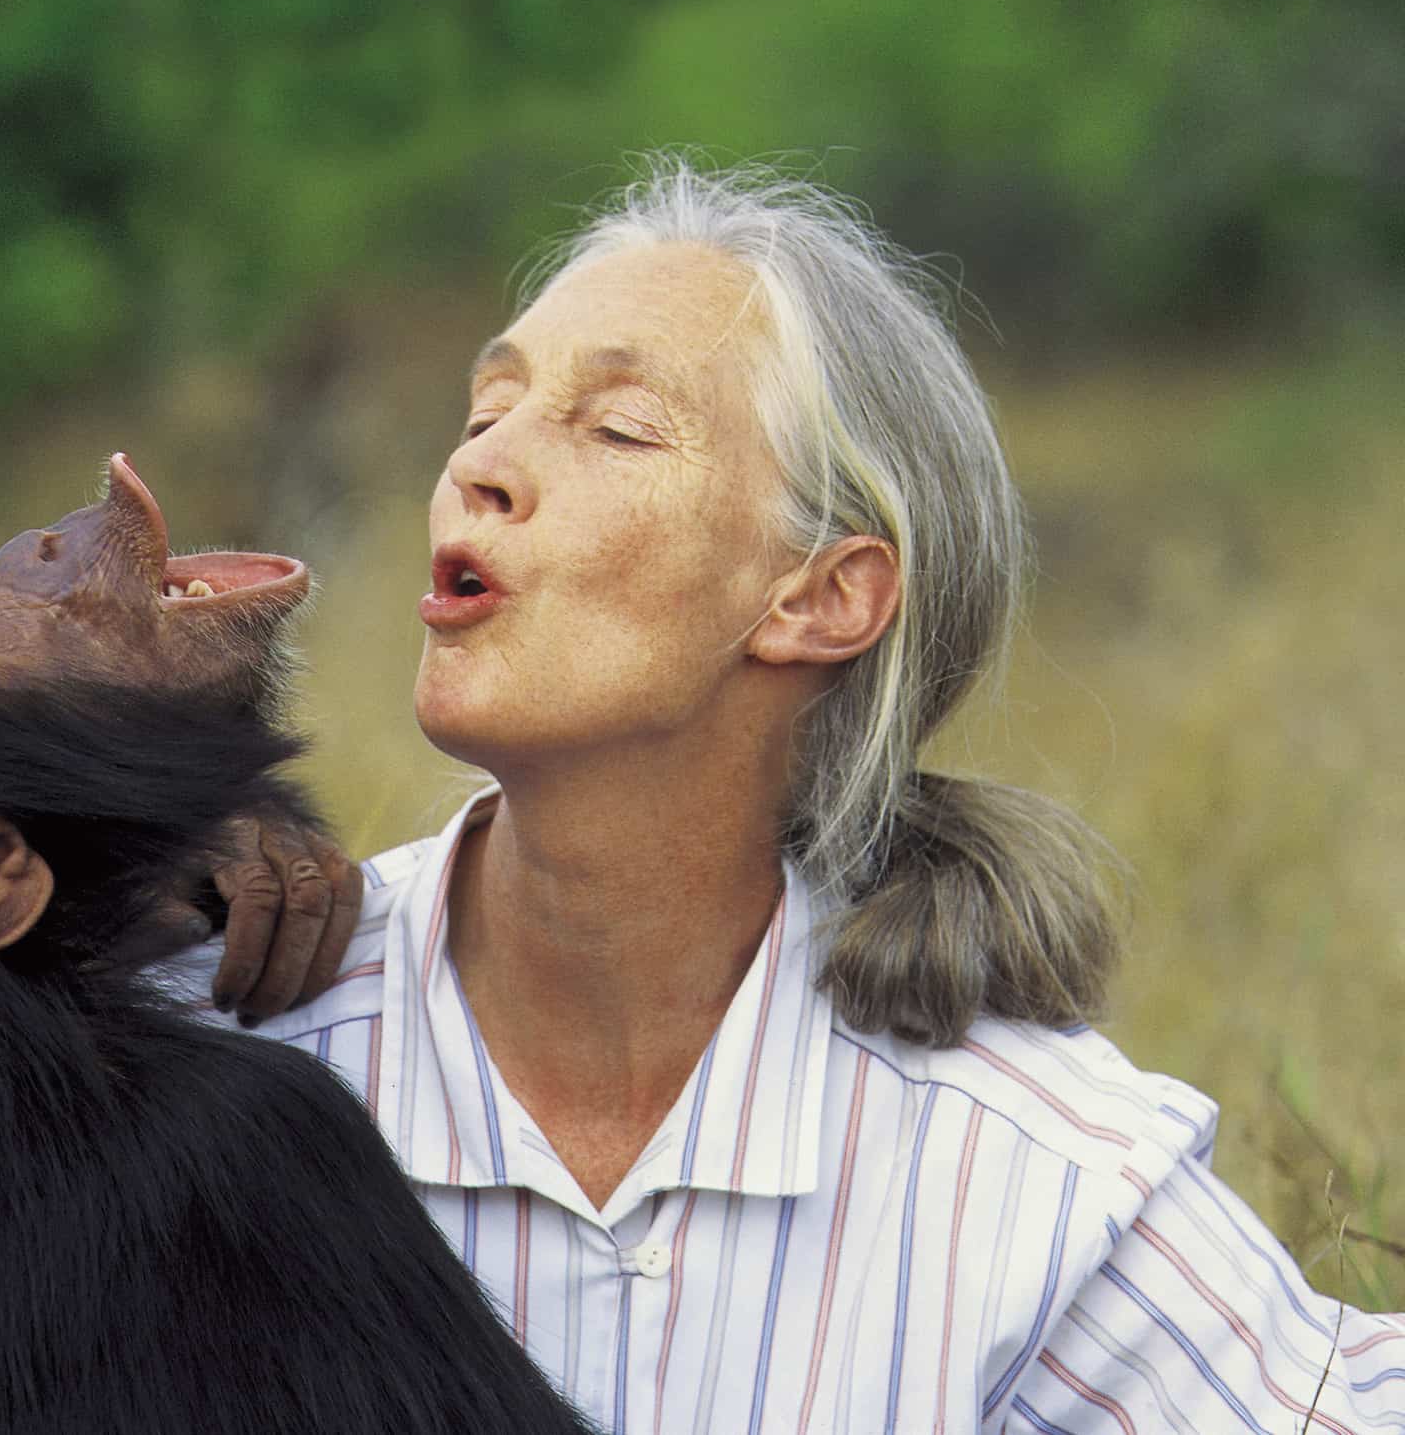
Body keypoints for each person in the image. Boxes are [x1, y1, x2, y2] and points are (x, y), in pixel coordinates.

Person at [168, 160, 1405, 1431]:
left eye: (618, 429)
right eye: (487, 410)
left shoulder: (1035, 1184)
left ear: (821, 597)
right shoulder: (201, 1041)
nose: (481, 467)